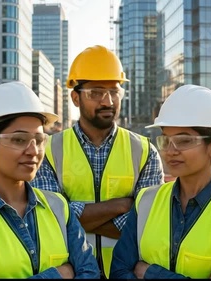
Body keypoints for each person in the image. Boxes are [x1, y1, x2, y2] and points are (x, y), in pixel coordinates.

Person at [0, 81, 99, 279]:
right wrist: (60, 273)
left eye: (39, 140)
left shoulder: (58, 206)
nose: (33, 151)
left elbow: (90, 273)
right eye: (19, 140)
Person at [30, 45, 165, 278]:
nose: (108, 101)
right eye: (96, 93)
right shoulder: (48, 151)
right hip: (71, 272)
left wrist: (71, 220)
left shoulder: (145, 151)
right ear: (75, 97)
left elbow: (147, 224)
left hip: (126, 273)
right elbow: (48, 221)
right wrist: (121, 206)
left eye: (114, 91)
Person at [110, 84, 211, 279]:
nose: (171, 150)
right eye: (166, 140)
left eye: (184, 141)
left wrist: (150, 272)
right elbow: (118, 272)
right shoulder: (146, 201)